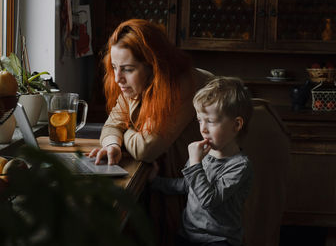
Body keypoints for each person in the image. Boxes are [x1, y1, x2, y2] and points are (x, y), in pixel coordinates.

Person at [88, 19, 213, 245]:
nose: (118, 78)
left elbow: (147, 149)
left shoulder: (181, 85)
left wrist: (125, 128)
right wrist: (112, 145)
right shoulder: (136, 84)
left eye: (127, 69)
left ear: (153, 65)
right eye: (114, 67)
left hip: (247, 146)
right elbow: (111, 124)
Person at [149, 76, 254, 246]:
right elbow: (186, 185)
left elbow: (209, 201)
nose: (203, 129)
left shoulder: (240, 166)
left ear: (236, 125)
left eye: (210, 121)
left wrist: (195, 163)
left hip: (219, 240)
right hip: (187, 234)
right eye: (200, 120)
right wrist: (155, 182)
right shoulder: (204, 154)